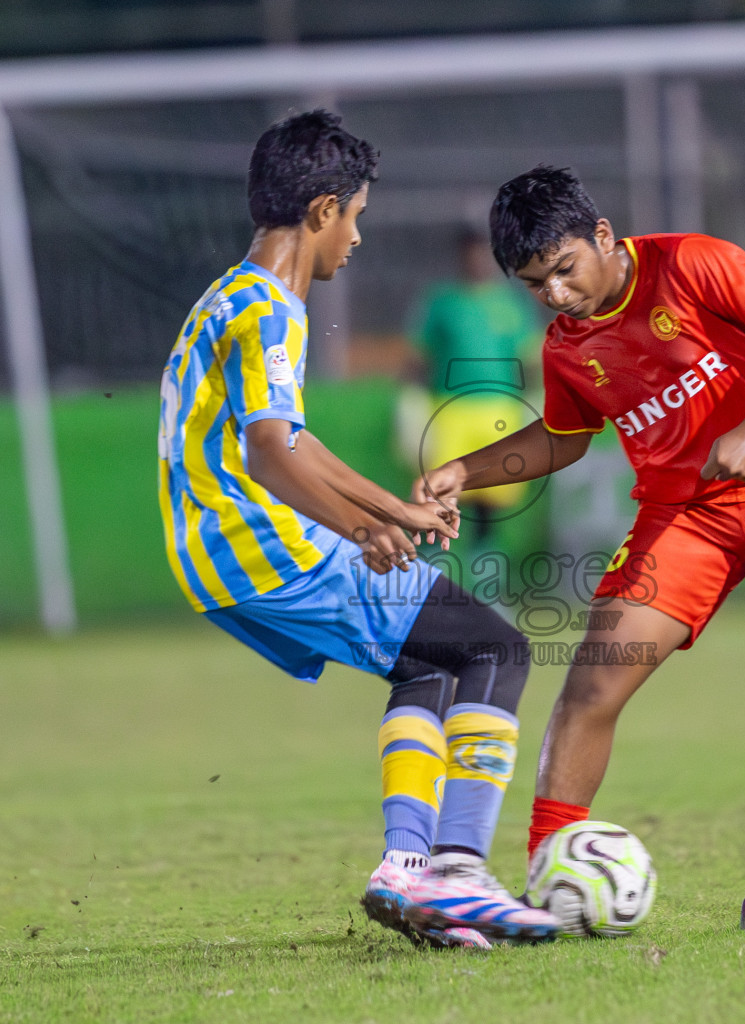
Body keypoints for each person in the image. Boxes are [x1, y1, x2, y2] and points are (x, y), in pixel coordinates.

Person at [416, 166, 745, 932]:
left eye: (562, 270)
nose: (554, 294)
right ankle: (547, 888)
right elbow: (562, 436)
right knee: (593, 686)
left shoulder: (691, 264)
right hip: (685, 513)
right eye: (534, 284)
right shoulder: (566, 347)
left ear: (601, 236)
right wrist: (464, 469)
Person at [157, 112, 558, 949]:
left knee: (426, 660)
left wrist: (390, 511)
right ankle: (459, 869)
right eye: (356, 216)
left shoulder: (230, 296)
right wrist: (359, 529)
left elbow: (290, 438)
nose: (358, 237)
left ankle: (407, 872)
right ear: (320, 212)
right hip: (266, 548)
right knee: (497, 650)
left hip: (218, 559)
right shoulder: (269, 308)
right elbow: (271, 455)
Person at [406, 228, 542, 543]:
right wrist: (411, 402)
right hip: (449, 411)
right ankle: (431, 576)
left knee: (491, 498)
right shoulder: (442, 303)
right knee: (440, 494)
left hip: (500, 411)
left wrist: (534, 405)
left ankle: (486, 576)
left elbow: (529, 361)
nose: (477, 259)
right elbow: (419, 358)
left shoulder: (511, 305)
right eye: (471, 251)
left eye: (484, 251)